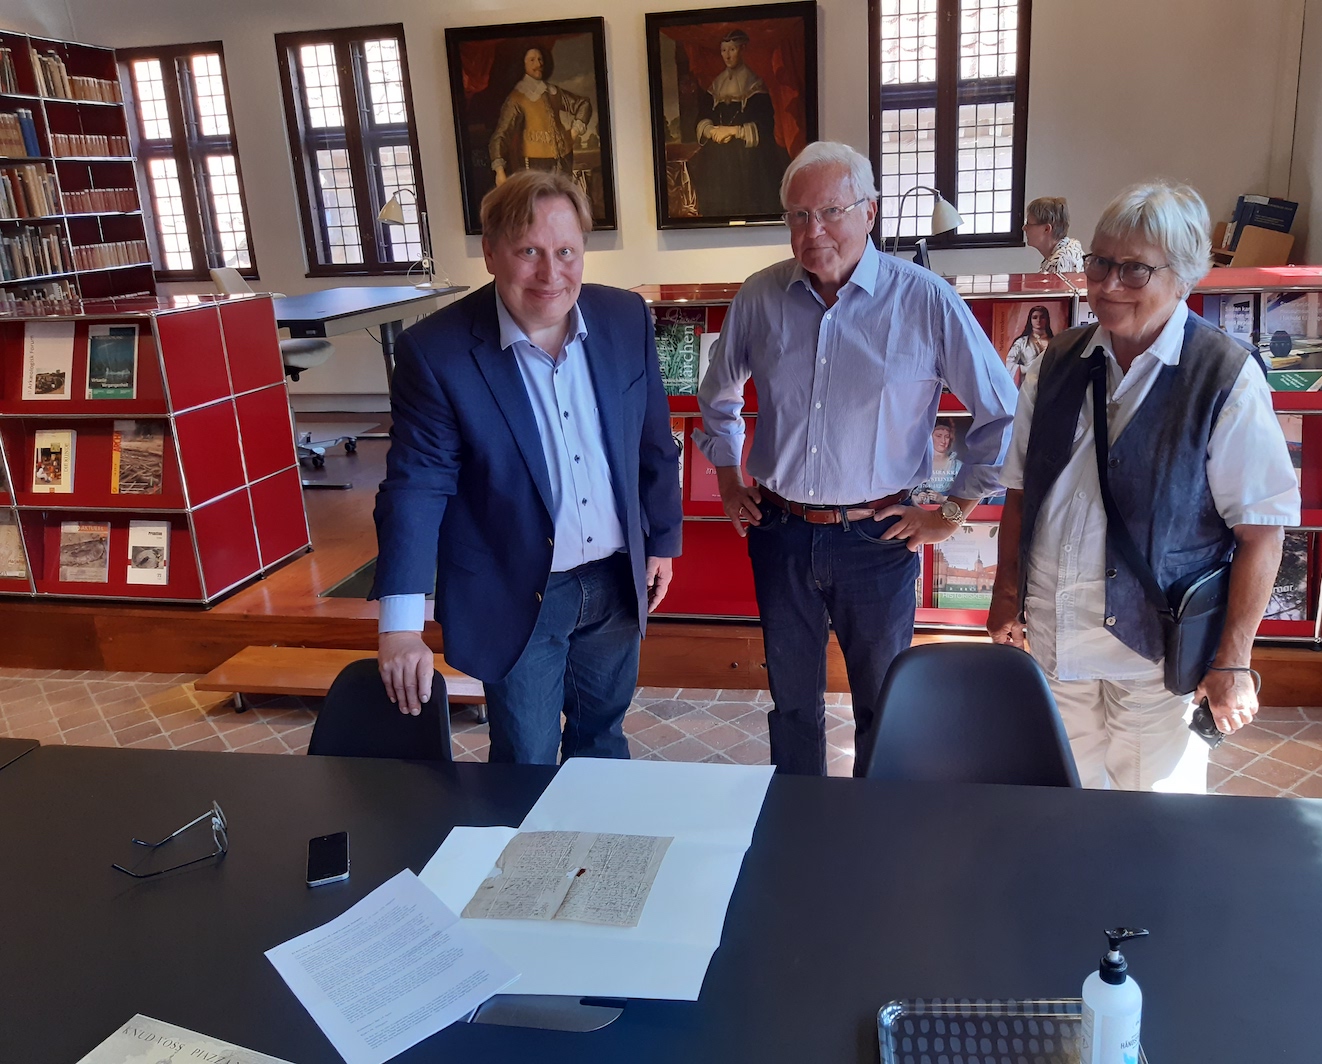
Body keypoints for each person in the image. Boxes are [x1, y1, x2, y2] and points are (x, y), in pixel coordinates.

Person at [696, 141, 1017, 776]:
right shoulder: (759, 297)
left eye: (830, 212)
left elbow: (1001, 413)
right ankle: (799, 816)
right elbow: (718, 397)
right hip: (780, 532)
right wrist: (730, 479)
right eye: (797, 216)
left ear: (869, 212)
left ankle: (874, 822)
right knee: (792, 705)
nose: (812, 231)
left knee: (883, 704)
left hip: (877, 538)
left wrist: (951, 513)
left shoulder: (924, 300)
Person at [987, 181, 1300, 792]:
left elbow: (1262, 531)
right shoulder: (1056, 362)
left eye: (1134, 269)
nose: (1108, 284)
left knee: (1153, 815)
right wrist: (1006, 594)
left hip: (1154, 656)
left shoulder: (1224, 376)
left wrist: (1233, 661)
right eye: (1100, 263)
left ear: (1182, 278)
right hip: (1054, 638)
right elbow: (1021, 493)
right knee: (1063, 800)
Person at [372, 171, 683, 765]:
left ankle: (598, 832)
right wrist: (401, 626)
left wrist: (662, 541)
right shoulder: (436, 352)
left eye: (566, 251)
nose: (551, 274)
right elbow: (417, 484)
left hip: (616, 581)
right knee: (526, 762)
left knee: (603, 740)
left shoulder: (624, 317)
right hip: (517, 589)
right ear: (490, 253)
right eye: (529, 252)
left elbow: (651, 438)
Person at [684, 28, 789, 218]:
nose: (727, 55)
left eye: (732, 49)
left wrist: (733, 131)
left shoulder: (755, 84)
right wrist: (710, 130)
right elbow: (703, 116)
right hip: (717, 159)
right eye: (724, 50)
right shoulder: (716, 84)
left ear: (742, 50)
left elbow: (765, 125)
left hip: (748, 159)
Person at [488, 45, 592, 187]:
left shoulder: (553, 91)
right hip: (536, 163)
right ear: (522, 64)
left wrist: (574, 132)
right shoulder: (517, 98)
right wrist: (499, 171)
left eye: (540, 59)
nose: (538, 64)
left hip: (565, 159)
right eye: (532, 60)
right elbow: (501, 134)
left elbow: (584, 104)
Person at [1024, 197, 1084, 274]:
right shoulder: (1070, 245)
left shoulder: (1060, 262)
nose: (1024, 228)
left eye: (1028, 224)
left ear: (1047, 229)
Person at [912, 420, 963, 504]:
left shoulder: (956, 466)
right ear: (929, 438)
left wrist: (942, 499)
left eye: (947, 436)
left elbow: (965, 496)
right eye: (938, 436)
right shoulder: (919, 464)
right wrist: (917, 499)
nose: (943, 441)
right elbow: (907, 495)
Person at [1005, 305, 1055, 384]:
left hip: (1050, 383)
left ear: (1047, 319)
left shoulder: (1054, 342)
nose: (1038, 320)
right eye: (1035, 317)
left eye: (1042, 317)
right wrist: (1026, 369)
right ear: (1030, 320)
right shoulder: (1022, 342)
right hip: (1028, 384)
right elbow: (1009, 363)